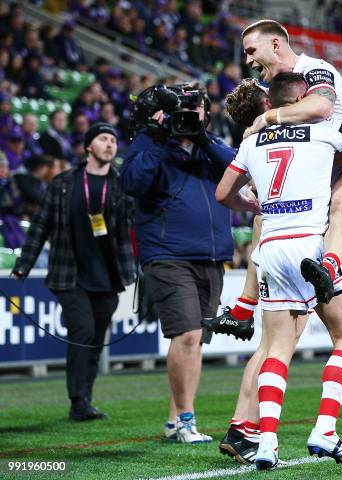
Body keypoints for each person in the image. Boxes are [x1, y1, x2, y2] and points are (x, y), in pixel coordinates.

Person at [215, 72, 342, 470]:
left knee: (276, 350)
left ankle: (266, 442)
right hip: (312, 242)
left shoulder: (250, 140)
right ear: (303, 99)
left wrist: (255, 207)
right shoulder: (324, 128)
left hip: (271, 249)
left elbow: (223, 194)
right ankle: (325, 429)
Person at [206, 19, 342, 341]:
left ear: (275, 45)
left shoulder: (314, 69)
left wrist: (267, 118)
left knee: (340, 203)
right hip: (314, 173)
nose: (247, 61)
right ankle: (244, 309)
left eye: (251, 51)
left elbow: (320, 106)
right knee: (267, 218)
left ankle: (328, 268)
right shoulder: (278, 87)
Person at [120, 82, 238, 444]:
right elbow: (133, 183)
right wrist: (156, 139)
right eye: (182, 111)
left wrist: (201, 139)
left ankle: (175, 420)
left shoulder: (210, 146)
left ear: (205, 113)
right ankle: (187, 421)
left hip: (212, 256)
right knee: (186, 334)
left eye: (196, 109)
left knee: (196, 340)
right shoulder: (149, 141)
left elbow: (241, 170)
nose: (189, 116)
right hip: (168, 254)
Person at [12, 123, 137, 421]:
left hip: (108, 276)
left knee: (95, 339)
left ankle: (85, 399)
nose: (109, 144)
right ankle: (77, 399)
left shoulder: (122, 185)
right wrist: (23, 266)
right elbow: (40, 226)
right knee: (82, 331)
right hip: (70, 275)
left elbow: (137, 224)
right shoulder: (64, 182)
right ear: (88, 147)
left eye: (113, 140)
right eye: (103, 139)